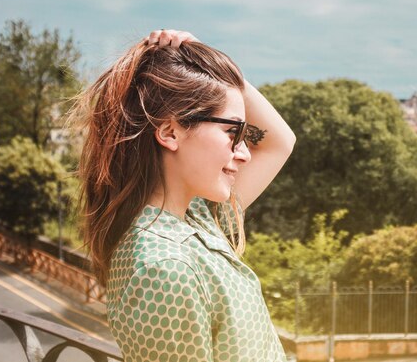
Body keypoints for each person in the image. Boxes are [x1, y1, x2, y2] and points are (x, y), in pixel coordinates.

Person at [74, 29, 296, 361]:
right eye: (232, 132)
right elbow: (277, 144)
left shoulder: (199, 217)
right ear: (170, 132)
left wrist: (211, 69)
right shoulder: (163, 268)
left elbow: (280, 142)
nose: (245, 153)